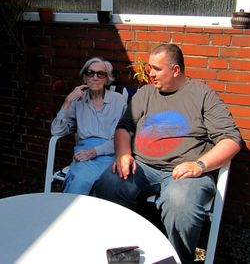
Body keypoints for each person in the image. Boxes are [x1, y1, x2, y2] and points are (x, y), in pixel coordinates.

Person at [91, 44, 242, 264]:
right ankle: (125, 252)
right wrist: (123, 154)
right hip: (142, 166)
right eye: (150, 67)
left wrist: (199, 165)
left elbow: (231, 139)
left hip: (184, 172)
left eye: (156, 69)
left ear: (176, 70)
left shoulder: (202, 95)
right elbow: (124, 127)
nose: (150, 73)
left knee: (180, 202)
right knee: (108, 185)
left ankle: (178, 258)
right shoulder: (145, 93)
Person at [51, 57, 127, 195]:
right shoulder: (77, 101)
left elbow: (124, 136)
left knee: (109, 183)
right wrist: (67, 101)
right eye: (90, 73)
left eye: (100, 74)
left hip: (110, 153)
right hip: (84, 155)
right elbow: (56, 131)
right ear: (85, 78)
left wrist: (94, 151)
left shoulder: (119, 100)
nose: (95, 77)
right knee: (81, 180)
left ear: (106, 79)